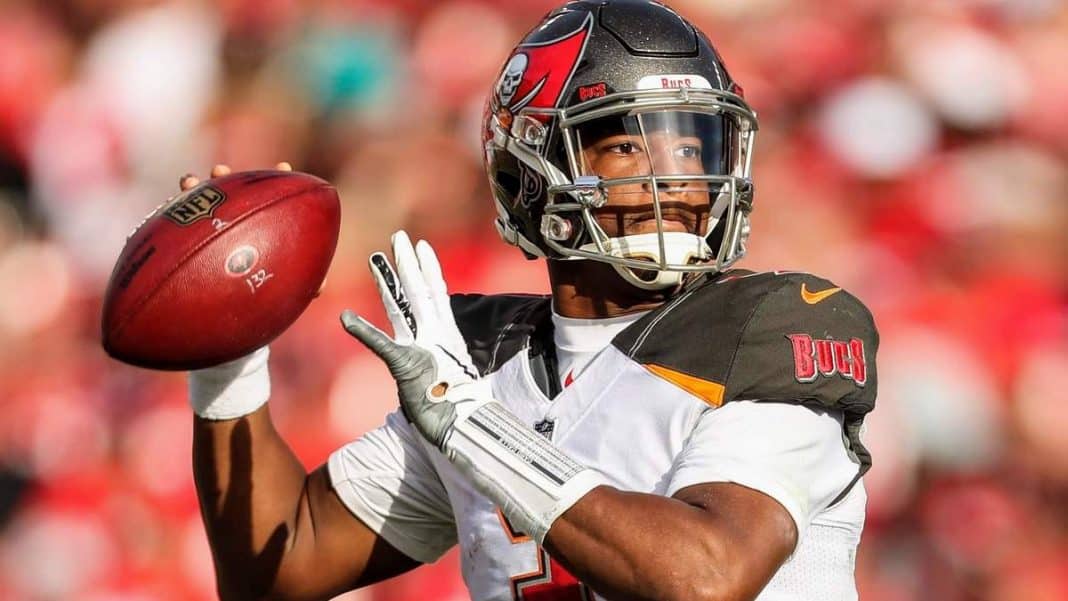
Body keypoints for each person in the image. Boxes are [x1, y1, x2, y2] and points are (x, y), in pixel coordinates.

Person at [182, 1, 878, 600]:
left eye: (694, 149)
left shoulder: (769, 326)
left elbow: (705, 578)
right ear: (530, 175)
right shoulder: (481, 365)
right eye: (630, 147)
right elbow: (279, 564)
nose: (678, 179)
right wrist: (227, 352)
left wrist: (473, 426)